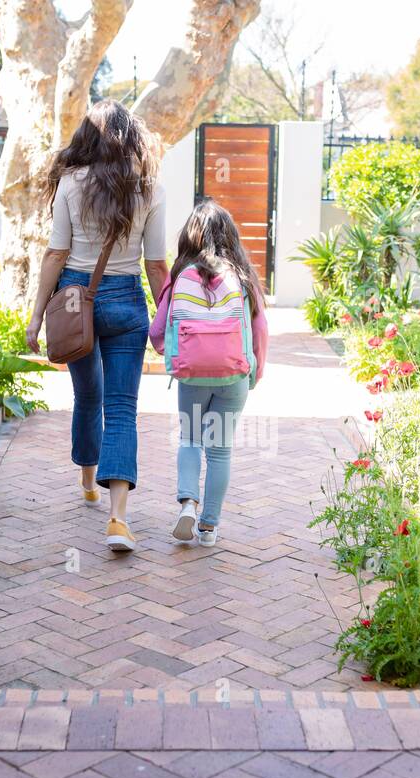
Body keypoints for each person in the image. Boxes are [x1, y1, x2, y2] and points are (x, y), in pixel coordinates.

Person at [27, 100, 169, 553]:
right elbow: (156, 264)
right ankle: (118, 519)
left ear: (87, 136)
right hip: (126, 301)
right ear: (132, 138)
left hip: (75, 299)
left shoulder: (70, 182)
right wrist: (166, 320)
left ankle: (88, 480)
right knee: (122, 408)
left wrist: (35, 317)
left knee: (88, 394)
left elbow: (55, 254)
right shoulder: (149, 188)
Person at [149, 200, 269, 547]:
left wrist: (171, 350)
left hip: (193, 375)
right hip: (233, 377)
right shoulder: (244, 276)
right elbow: (260, 330)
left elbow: (157, 330)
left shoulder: (180, 275)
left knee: (190, 439)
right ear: (230, 236)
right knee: (220, 450)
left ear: (190, 235)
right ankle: (208, 527)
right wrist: (255, 370)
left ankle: (188, 503)